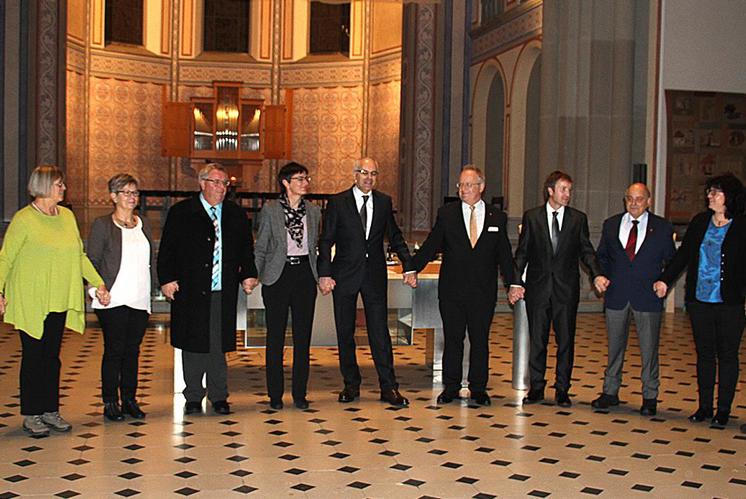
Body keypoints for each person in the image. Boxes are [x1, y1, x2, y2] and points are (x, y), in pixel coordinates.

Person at [0, 165, 110, 437]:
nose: (63, 188)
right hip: (30, 299)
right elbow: (6, 257)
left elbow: (79, 256)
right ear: (44, 186)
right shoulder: (24, 219)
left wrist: (98, 282)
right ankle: (32, 414)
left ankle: (50, 410)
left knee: (52, 358)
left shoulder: (67, 216)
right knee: (33, 357)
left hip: (58, 298)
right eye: (59, 184)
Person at [157, 163, 258, 416]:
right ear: (201, 183)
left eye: (224, 184)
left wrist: (248, 274)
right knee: (193, 344)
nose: (221, 188)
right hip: (190, 288)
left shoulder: (235, 214)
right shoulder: (181, 212)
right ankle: (192, 396)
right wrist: (167, 279)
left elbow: (246, 249)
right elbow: (167, 249)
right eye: (215, 182)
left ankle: (219, 395)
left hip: (222, 289)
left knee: (218, 344)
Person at [410, 166, 515, 406]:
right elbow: (431, 244)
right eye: (461, 185)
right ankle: (451, 387)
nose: (463, 190)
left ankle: (478, 388)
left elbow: (504, 255)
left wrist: (514, 283)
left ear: (481, 187)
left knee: (480, 340)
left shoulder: (496, 217)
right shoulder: (447, 214)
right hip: (452, 291)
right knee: (453, 339)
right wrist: (412, 266)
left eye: (469, 185)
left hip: (483, 291)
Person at [318, 157, 414, 407]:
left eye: (373, 173)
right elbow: (326, 240)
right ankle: (351, 384)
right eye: (364, 172)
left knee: (380, 332)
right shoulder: (338, 203)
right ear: (355, 175)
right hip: (344, 276)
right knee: (345, 331)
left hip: (374, 276)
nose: (368, 177)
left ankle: (389, 386)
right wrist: (324, 273)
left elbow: (394, 235)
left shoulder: (384, 202)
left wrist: (409, 264)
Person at [654, 173, 745, 428]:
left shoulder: (741, 225)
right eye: (709, 192)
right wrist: (665, 280)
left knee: (727, 355)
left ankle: (723, 410)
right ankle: (705, 406)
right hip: (699, 300)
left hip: (730, 303)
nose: (709, 196)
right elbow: (683, 256)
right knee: (704, 354)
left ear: (729, 196)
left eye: (715, 192)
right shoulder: (700, 222)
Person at [512, 170, 608, 407]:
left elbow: (587, 250)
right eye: (563, 189)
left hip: (566, 290)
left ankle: (562, 389)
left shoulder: (578, 219)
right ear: (550, 190)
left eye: (569, 190)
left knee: (565, 340)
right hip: (538, 288)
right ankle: (536, 387)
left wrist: (597, 274)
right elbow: (522, 253)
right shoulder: (532, 217)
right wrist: (515, 282)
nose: (567, 194)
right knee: (538, 340)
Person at [592, 183, 675, 416]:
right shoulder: (611, 225)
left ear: (648, 201)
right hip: (617, 295)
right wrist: (599, 276)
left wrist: (665, 281)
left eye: (639, 199)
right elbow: (602, 258)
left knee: (649, 350)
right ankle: (610, 391)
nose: (634, 203)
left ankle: (650, 396)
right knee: (614, 347)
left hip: (647, 297)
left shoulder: (662, 227)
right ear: (625, 200)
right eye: (630, 198)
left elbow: (672, 260)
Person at [87, 174, 155, 421]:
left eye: (135, 192)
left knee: (133, 351)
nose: (131, 197)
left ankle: (129, 399)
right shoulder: (103, 224)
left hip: (138, 298)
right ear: (113, 196)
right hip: (113, 298)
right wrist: (96, 289)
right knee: (114, 350)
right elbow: (92, 261)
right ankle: (109, 401)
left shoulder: (143, 223)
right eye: (125, 192)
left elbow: (151, 260)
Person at [254, 162, 321, 410]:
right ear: (286, 182)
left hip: (304, 274)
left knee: (303, 338)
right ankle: (275, 394)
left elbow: (316, 247)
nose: (305, 182)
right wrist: (254, 274)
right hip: (277, 277)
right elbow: (261, 247)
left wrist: (322, 275)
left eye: (306, 178)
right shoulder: (270, 210)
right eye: (300, 178)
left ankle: (300, 394)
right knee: (275, 337)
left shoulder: (313, 212)